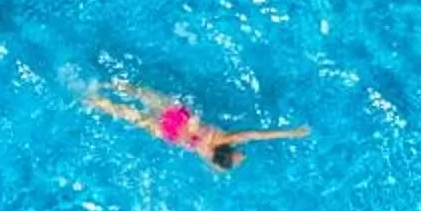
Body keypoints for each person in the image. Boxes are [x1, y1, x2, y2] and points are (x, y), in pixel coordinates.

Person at [82, 80, 309, 171]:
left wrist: (292, 132)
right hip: (169, 134)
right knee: (130, 115)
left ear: (228, 151)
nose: (243, 155)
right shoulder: (207, 155)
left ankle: (108, 83)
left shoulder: (225, 138)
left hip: (179, 119)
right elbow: (219, 169)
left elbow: (257, 134)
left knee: (142, 93)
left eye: (240, 155)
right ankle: (95, 102)